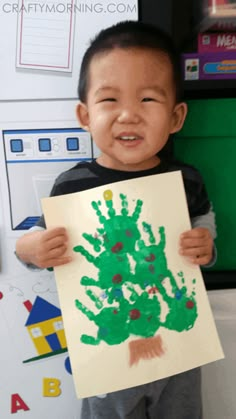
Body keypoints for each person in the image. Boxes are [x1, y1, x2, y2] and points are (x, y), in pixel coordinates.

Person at [16, 20, 216, 419]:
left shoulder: (186, 179)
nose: (128, 115)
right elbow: (33, 240)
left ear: (176, 117)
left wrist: (205, 245)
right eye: (109, 100)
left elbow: (205, 224)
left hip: (178, 348)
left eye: (147, 100)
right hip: (107, 356)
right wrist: (31, 248)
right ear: (85, 115)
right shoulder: (73, 184)